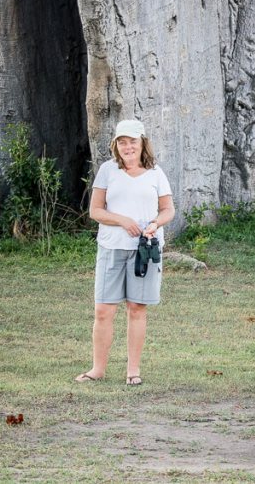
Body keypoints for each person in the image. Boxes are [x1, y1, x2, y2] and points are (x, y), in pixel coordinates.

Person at [75, 119, 175, 386]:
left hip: (144, 249)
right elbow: (95, 211)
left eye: (133, 141)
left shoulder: (156, 173)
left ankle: (133, 370)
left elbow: (168, 210)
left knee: (137, 308)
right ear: (115, 145)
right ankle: (98, 369)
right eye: (122, 142)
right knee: (104, 311)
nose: (128, 147)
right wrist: (121, 220)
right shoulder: (108, 171)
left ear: (142, 143)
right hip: (111, 247)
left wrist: (154, 224)